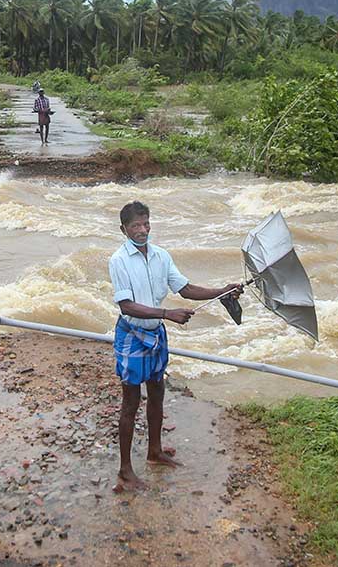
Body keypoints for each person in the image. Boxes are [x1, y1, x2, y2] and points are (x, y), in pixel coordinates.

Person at [108, 200, 243, 492]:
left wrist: (223, 290)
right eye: (135, 226)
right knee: (130, 403)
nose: (142, 230)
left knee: (157, 393)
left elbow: (186, 289)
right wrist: (167, 314)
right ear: (124, 229)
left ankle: (154, 452)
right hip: (132, 335)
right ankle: (125, 470)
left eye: (145, 224)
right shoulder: (118, 261)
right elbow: (127, 305)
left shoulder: (161, 256)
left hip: (155, 334)